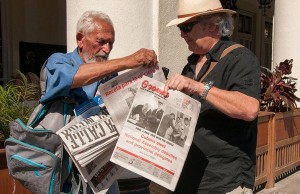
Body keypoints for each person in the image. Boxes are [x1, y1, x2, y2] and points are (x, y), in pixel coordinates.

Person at [39, 11, 157, 194]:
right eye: (101, 42)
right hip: (64, 169)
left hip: (101, 170)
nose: (107, 49)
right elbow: (72, 77)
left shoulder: (108, 74)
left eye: (111, 43)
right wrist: (128, 61)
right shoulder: (59, 61)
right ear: (80, 39)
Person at [160, 0, 261, 193]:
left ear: (212, 25)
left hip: (223, 181)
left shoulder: (240, 58)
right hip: (189, 178)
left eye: (186, 27)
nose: (182, 34)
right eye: (181, 28)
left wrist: (198, 87)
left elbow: (249, 109)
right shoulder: (190, 65)